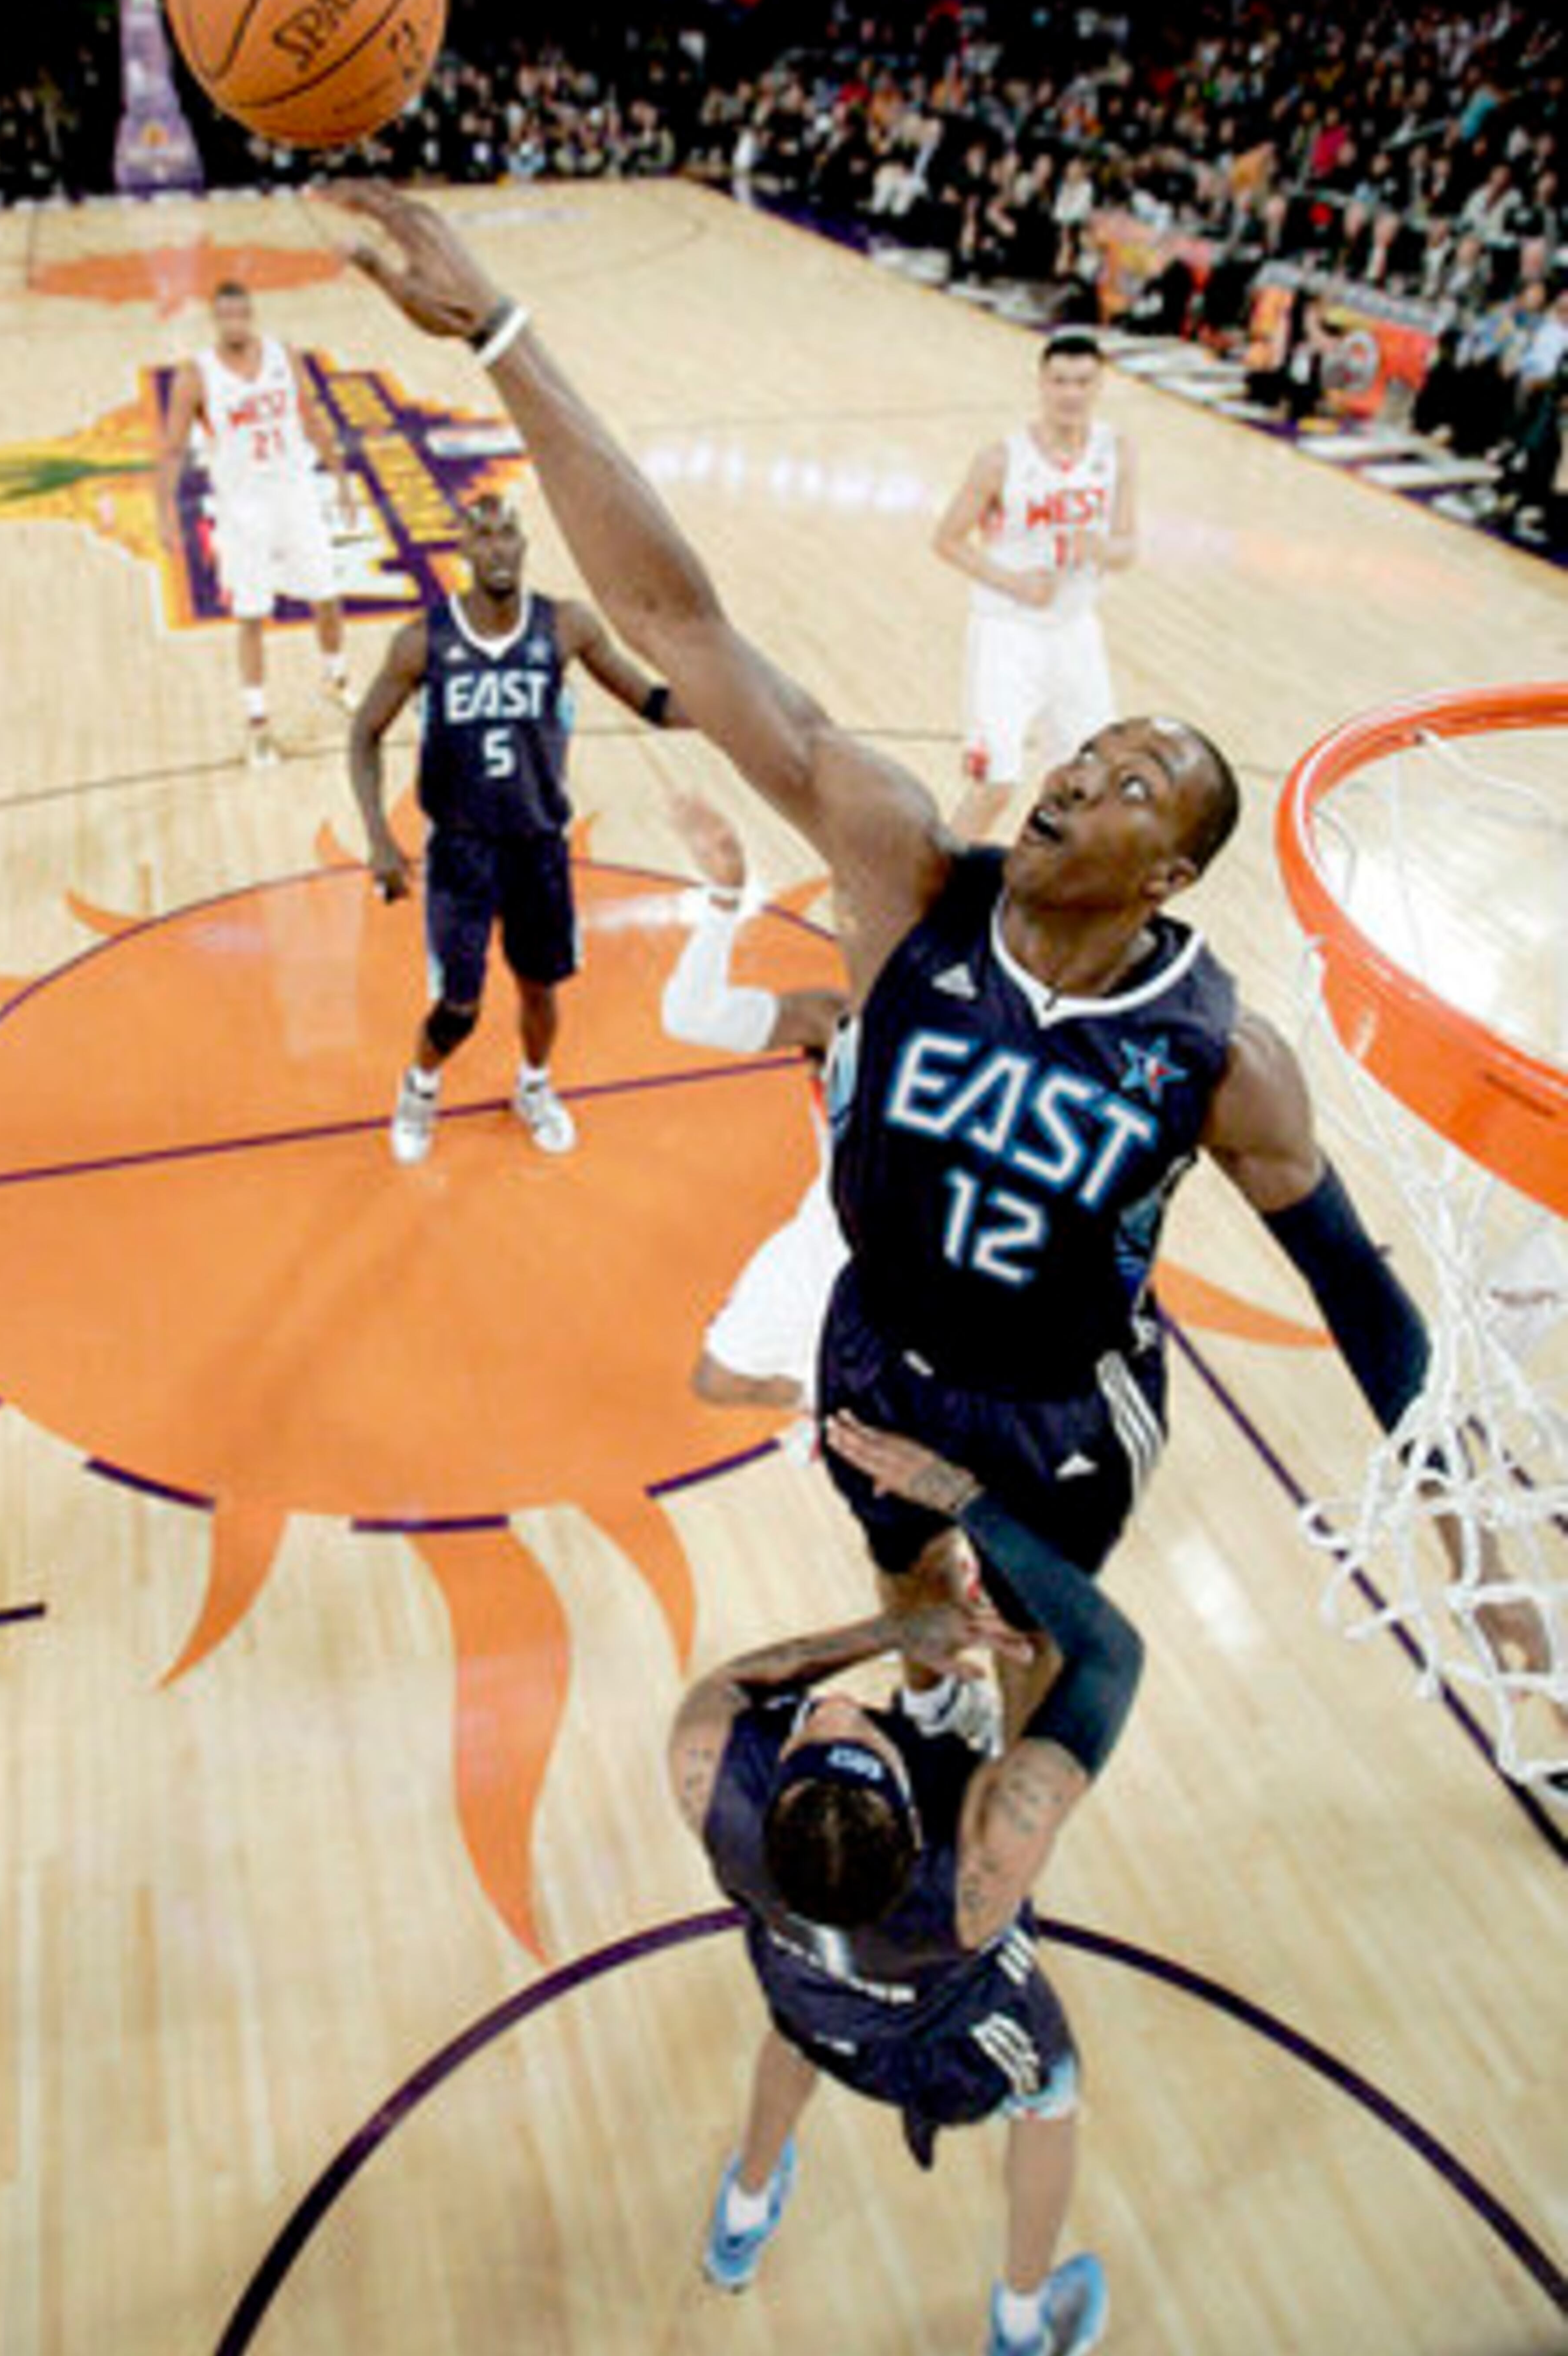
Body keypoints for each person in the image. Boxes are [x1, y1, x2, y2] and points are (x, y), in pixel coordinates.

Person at [324, 182, 1435, 1640]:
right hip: (875, 1351)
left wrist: (1442, 1471)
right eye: (1090, 755)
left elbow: (1349, 1280)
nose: (1081, 772)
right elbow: (678, 628)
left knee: (1040, 1642)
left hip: (1062, 1415)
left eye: (1130, 783)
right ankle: (930, 1670)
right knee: (910, 1594)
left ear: (1168, 875)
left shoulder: (1223, 1061)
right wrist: (503, 331)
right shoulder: (908, 877)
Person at [669, 1408, 1143, 2356]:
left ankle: (742, 2218)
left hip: (809, 1995)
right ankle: (1019, 2333)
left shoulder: (708, 1779)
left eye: (820, 1731)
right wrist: (967, 1503)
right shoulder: (983, 1861)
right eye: (852, 1733)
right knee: (1049, 2089)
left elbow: (731, 1682)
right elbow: (1110, 1656)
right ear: (914, 1817)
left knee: (793, 2034)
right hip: (948, 2035)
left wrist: (890, 1631)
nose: (838, 1709)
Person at [350, 495, 685, 1166]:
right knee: (460, 1005)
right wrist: (379, 840)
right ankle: (419, 1088)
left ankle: (534, 1087)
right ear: (464, 552)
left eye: (508, 534)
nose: (497, 547)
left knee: (541, 988)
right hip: (461, 851)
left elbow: (650, 703)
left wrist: (732, 708)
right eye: (483, 537)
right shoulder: (424, 640)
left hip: (538, 846)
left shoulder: (567, 627)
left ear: (524, 545)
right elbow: (364, 734)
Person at [660, 793, 846, 1412]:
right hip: (829, 1229)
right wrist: (723, 898)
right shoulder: (834, 1019)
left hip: (921, 1263)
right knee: (718, 1381)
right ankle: (832, 1398)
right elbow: (692, 1016)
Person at [932, 332, 1139, 843]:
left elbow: (1127, 548)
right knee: (996, 782)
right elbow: (947, 539)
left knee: (1088, 782)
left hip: (1075, 631)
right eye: (1061, 381)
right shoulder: (1002, 459)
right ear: (1042, 384)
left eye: (1083, 382)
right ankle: (931, 896)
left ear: (1099, 386)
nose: (1071, 393)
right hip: (1008, 630)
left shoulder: (1117, 451)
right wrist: (1014, 582)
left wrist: (1098, 550)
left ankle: (1046, 890)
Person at [156, 279, 356, 765]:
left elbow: (310, 417)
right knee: (251, 615)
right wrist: (165, 512)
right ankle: (258, 721)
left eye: (241, 314)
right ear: (215, 320)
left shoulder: (283, 356)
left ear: (252, 315)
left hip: (295, 492)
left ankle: (336, 678)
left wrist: (340, 477)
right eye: (225, 316)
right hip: (243, 507)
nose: (235, 324)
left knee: (326, 595)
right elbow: (173, 448)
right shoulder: (196, 375)